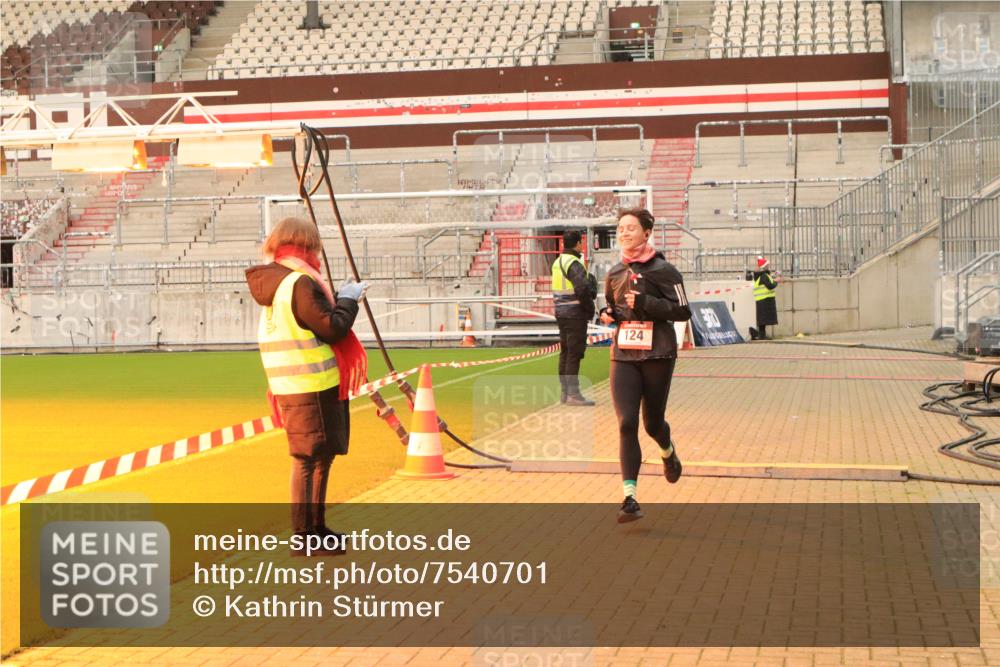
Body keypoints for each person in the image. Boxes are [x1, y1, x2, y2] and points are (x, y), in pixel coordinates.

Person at [246, 217, 370, 555]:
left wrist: (340, 300)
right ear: (306, 244)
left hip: (292, 384)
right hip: (313, 384)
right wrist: (348, 300)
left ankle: (315, 529)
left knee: (317, 458)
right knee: (308, 461)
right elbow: (332, 329)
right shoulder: (299, 282)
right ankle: (305, 536)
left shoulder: (278, 283)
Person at [599, 208, 691, 523]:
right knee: (626, 423)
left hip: (657, 355)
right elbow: (614, 307)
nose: (624, 233)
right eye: (620, 229)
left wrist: (647, 303)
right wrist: (607, 314)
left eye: (631, 228)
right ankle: (630, 498)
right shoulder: (614, 273)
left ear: (647, 232)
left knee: (652, 423)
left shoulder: (665, 270)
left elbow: (683, 311)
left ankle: (668, 452)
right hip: (623, 355)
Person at [551, 229, 598, 406]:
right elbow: (582, 289)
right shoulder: (573, 263)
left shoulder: (558, 262)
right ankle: (573, 394)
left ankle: (565, 393)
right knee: (574, 353)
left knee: (565, 352)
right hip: (574, 314)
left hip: (561, 313)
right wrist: (590, 309)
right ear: (578, 243)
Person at [749, 255, 779, 340]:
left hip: (762, 299)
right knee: (763, 319)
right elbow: (770, 285)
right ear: (764, 267)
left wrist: (773, 279)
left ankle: (762, 335)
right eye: (767, 265)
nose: (768, 267)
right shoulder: (764, 276)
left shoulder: (760, 276)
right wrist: (776, 281)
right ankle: (762, 335)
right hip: (765, 299)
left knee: (763, 319)